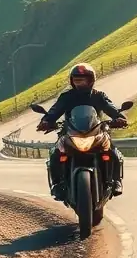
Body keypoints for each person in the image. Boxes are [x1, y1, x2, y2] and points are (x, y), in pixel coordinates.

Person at [37, 63, 128, 201]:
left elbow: (110, 108)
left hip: (96, 132)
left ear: (91, 80)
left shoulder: (98, 96)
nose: (79, 83)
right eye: (76, 80)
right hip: (71, 133)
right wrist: (46, 121)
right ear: (72, 81)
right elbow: (55, 110)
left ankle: (115, 181)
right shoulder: (67, 97)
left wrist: (119, 118)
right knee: (55, 154)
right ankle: (57, 184)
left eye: (83, 80)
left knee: (112, 152)